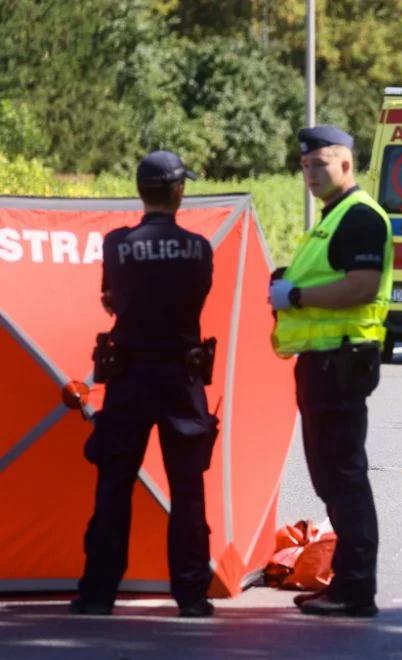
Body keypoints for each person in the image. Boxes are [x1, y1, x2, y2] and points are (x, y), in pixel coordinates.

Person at [73, 151, 217, 618]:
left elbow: (110, 300)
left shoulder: (116, 244)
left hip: (128, 375)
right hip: (182, 377)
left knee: (114, 484)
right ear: (179, 192)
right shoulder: (199, 248)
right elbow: (196, 298)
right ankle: (192, 596)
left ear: (141, 192)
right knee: (188, 488)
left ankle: (98, 593)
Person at [269, 125, 393, 617]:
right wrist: (289, 280)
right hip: (324, 361)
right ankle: (347, 584)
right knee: (332, 478)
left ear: (346, 163)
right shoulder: (333, 217)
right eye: (304, 167)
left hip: (341, 360)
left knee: (343, 478)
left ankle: (355, 590)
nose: (310, 174)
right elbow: (329, 275)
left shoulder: (359, 216)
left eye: (319, 164)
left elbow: (361, 286)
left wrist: (295, 295)